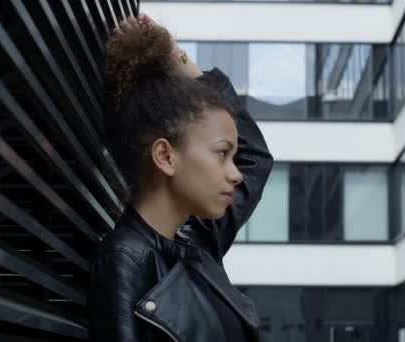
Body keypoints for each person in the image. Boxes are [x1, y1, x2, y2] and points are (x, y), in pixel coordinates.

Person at [88, 14, 273, 342]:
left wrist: (178, 60)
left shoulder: (196, 238)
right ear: (165, 156)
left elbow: (255, 159)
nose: (234, 174)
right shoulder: (126, 260)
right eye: (221, 154)